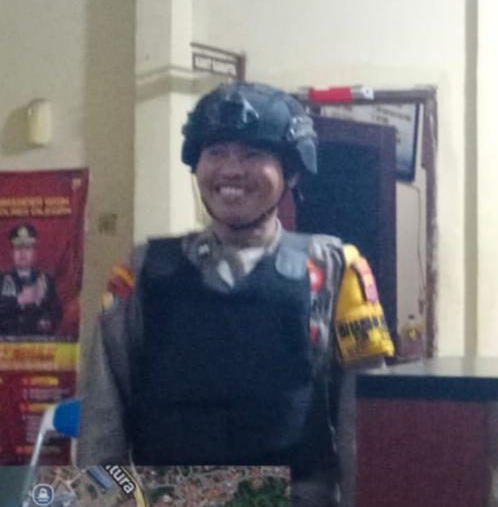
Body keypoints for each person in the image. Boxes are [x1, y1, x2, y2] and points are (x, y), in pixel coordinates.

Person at [78, 82, 394, 506]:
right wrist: (105, 501)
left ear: (291, 171)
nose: (230, 170)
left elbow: (364, 427)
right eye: (216, 152)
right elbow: (102, 424)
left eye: (252, 154)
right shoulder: (142, 272)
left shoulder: (336, 270)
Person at [0, 223, 62, 337]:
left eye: (27, 248)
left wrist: (48, 321)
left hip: (37, 343)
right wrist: (18, 300)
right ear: (11, 252)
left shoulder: (46, 281)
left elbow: (56, 312)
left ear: (34, 252)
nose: (23, 253)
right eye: (18, 248)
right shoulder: (2, 280)